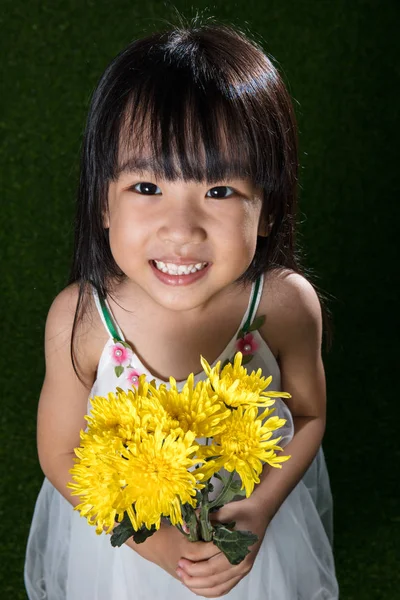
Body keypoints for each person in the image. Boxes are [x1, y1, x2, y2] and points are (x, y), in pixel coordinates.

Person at [24, 20, 339, 599]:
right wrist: (159, 545)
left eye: (220, 192)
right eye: (147, 187)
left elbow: (310, 416)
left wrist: (261, 508)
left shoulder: (285, 304)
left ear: (267, 211)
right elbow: (60, 451)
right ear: (103, 202)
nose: (181, 229)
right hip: (128, 548)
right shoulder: (83, 317)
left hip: (242, 542)